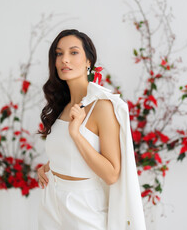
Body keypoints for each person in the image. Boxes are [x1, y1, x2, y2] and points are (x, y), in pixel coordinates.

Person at [37, 29, 146, 230]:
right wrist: (48, 168)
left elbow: (112, 174)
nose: (64, 60)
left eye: (73, 52)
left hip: (85, 210)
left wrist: (76, 135)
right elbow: (71, 156)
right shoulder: (61, 106)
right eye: (59, 54)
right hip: (53, 203)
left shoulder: (102, 107)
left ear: (89, 61)